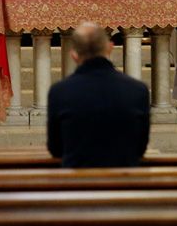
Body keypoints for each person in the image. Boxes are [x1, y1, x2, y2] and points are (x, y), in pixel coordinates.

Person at [47, 22, 150, 168]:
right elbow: (140, 148)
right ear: (109, 48)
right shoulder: (137, 90)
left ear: (74, 55)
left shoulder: (60, 91)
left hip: (76, 183)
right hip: (125, 184)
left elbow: (56, 149)